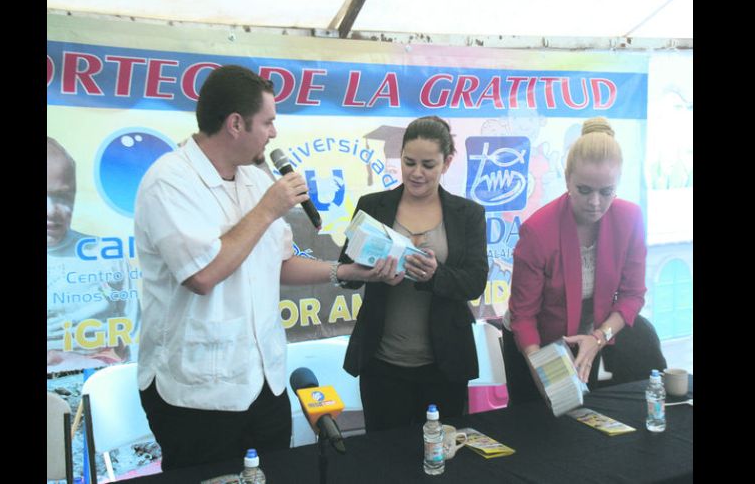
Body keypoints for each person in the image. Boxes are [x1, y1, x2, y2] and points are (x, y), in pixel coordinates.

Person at [133, 65, 388, 470]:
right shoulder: (169, 181)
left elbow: (280, 264)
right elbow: (203, 275)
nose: (274, 134)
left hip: (263, 382)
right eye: (268, 122)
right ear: (236, 123)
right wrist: (269, 208)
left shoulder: (254, 179)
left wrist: (343, 273)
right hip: (198, 393)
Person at [338, 116, 489, 431]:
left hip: (445, 364)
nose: (416, 173)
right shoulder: (372, 205)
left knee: (440, 451)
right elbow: (346, 273)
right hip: (382, 363)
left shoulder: (468, 214)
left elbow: (475, 282)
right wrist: (371, 273)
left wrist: (436, 274)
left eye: (428, 165)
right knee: (384, 456)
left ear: (446, 163)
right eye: (409, 162)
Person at [502, 117, 647, 405]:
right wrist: (539, 367)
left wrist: (597, 338)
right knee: (536, 429)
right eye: (584, 190)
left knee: (583, 427)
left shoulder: (630, 219)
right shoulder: (538, 231)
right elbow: (524, 316)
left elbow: (632, 296)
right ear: (567, 178)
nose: (595, 202)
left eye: (606, 192)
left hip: (587, 342)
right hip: (534, 343)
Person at [47, 137, 139, 372]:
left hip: (108, 381)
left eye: (63, 196)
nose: (51, 211)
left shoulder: (105, 253)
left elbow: (136, 334)